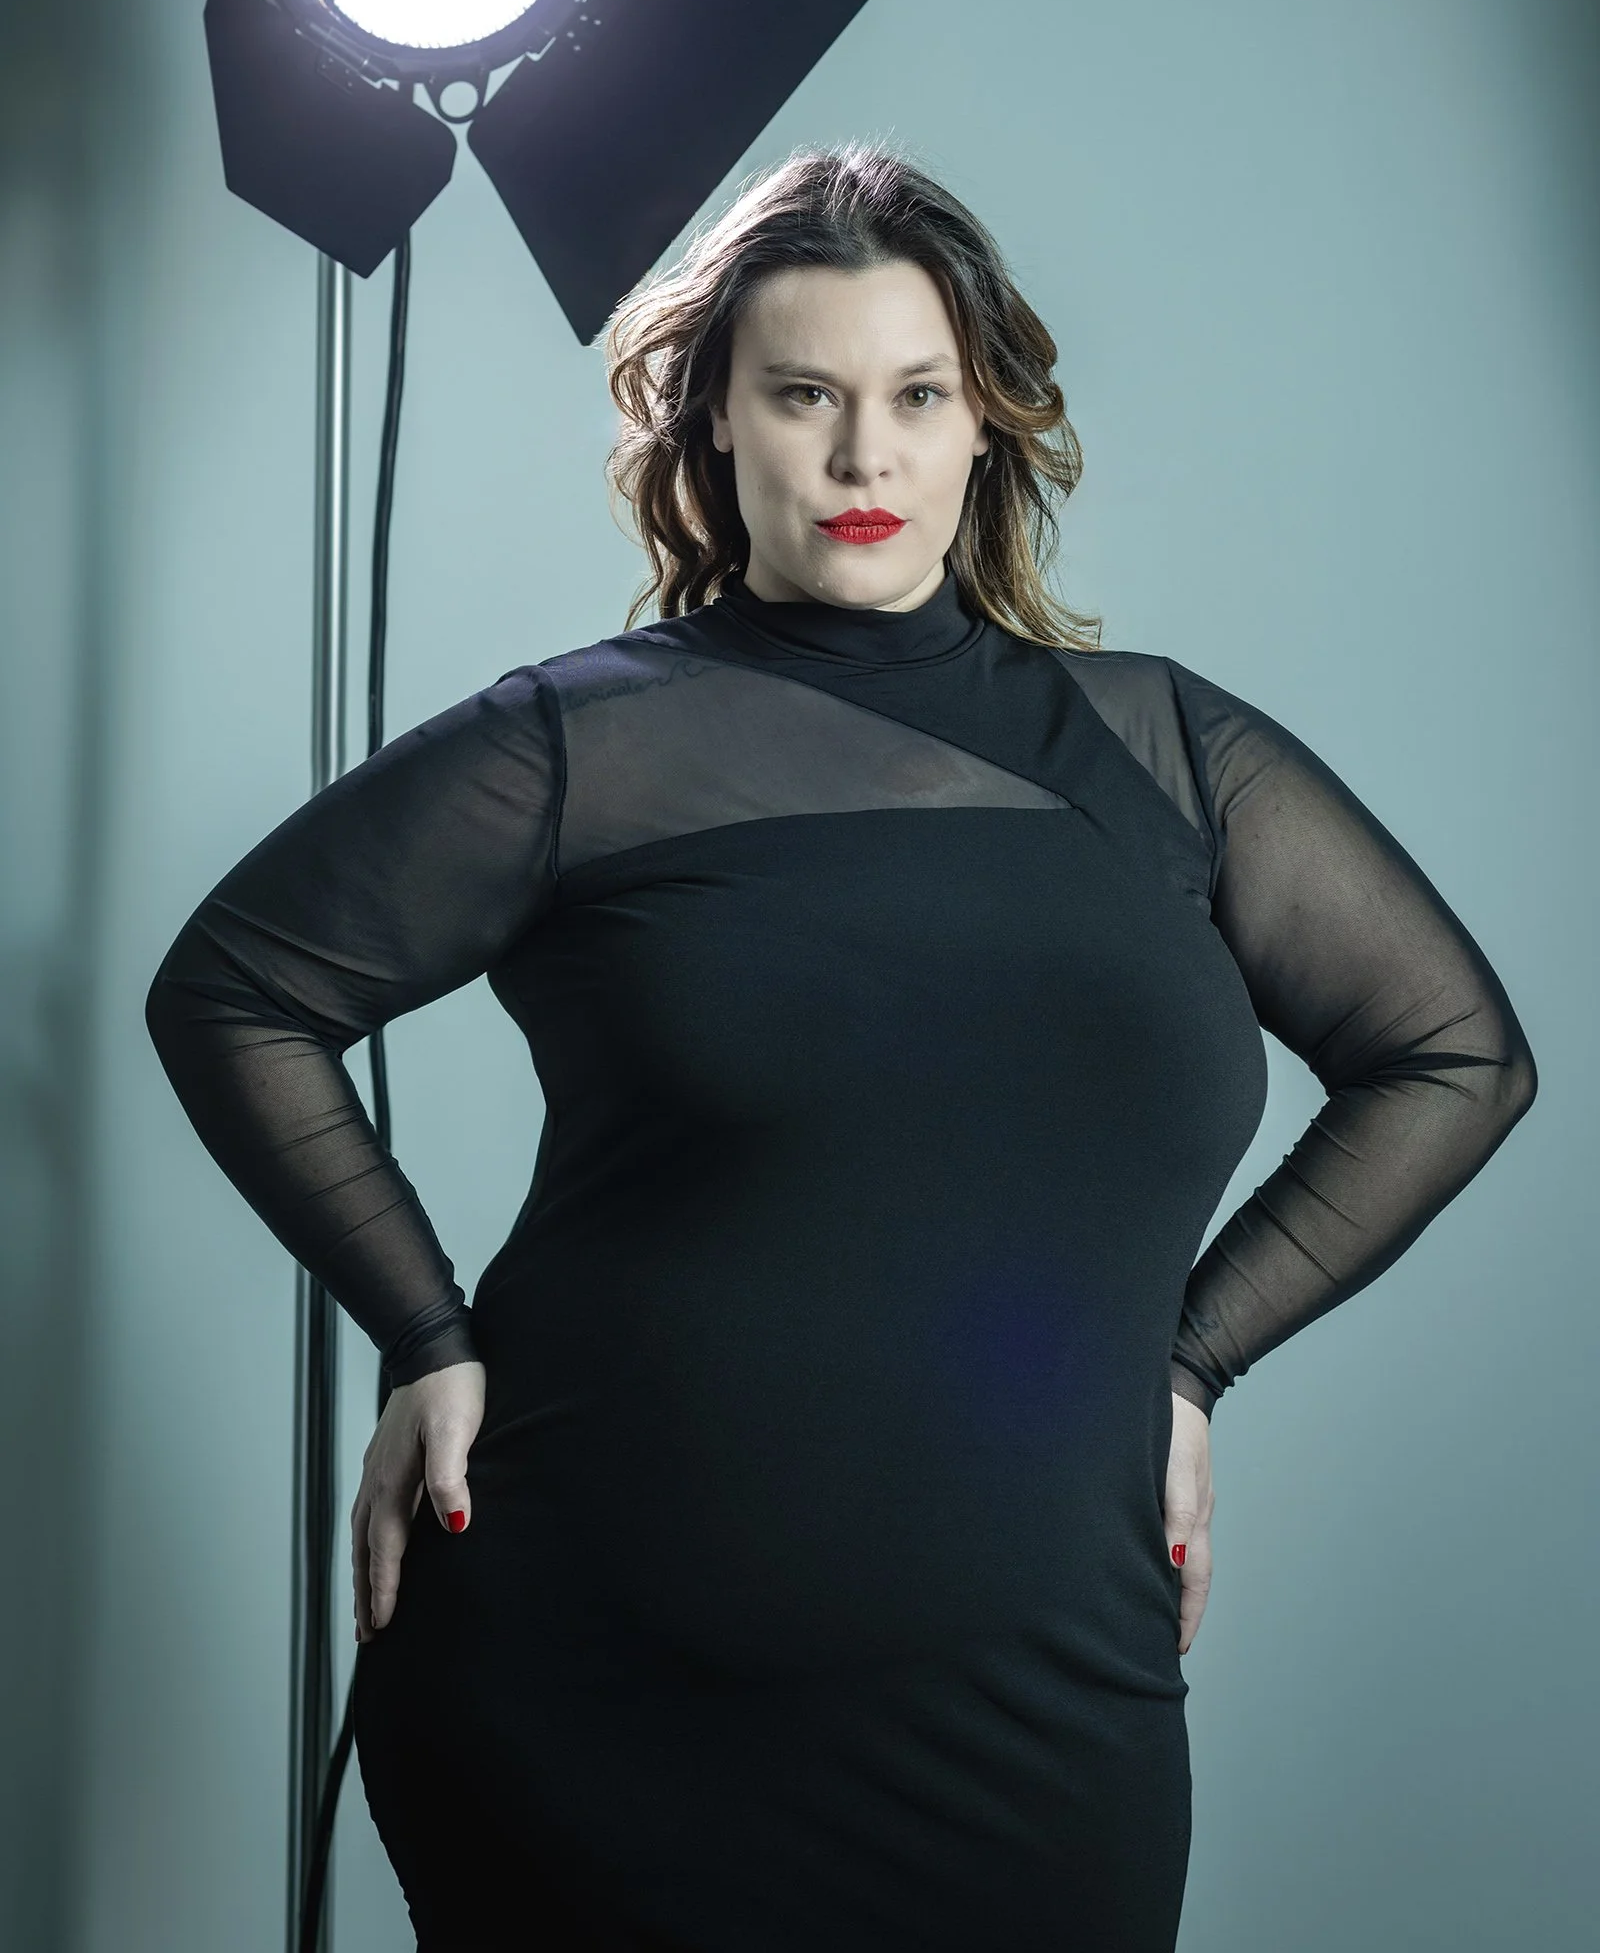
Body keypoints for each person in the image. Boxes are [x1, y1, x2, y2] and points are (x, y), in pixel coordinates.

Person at [145, 146, 1536, 1953]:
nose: (863, 457)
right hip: (587, 1681)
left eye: (916, 396)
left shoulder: (1170, 758)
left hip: (1038, 1695)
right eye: (804, 395)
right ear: (715, 423)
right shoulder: (581, 749)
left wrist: (1192, 1363)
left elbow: (1452, 1054)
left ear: (988, 423)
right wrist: (423, 1335)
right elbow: (235, 991)